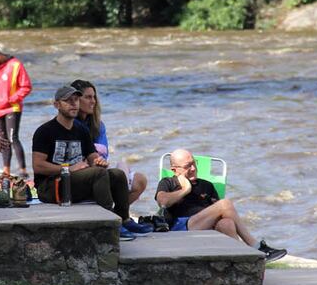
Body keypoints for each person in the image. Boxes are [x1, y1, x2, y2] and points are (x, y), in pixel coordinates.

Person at [32, 85, 141, 232]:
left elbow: (92, 156)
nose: (73, 104)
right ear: (57, 105)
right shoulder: (45, 131)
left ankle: (124, 219)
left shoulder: (81, 130)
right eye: (68, 101)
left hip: (74, 181)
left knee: (117, 174)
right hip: (51, 186)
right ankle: (108, 224)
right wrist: (68, 168)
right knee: (98, 174)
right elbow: (38, 166)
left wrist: (98, 161)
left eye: (76, 100)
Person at [155, 148, 287, 261]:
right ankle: (256, 247)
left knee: (227, 223)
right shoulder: (168, 182)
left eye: (194, 163)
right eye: (187, 166)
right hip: (180, 229)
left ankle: (242, 259)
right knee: (225, 204)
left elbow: (220, 213)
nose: (193, 168)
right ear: (174, 169)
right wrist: (185, 189)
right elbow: (163, 202)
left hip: (205, 227)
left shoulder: (207, 185)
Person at [70, 79, 148, 206]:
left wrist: (99, 161)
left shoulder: (98, 126)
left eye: (94, 97)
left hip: (97, 169)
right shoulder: (69, 125)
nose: (93, 101)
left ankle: (120, 215)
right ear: (76, 99)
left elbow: (103, 156)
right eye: (88, 97)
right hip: (78, 174)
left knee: (139, 180)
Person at [0, 44, 32, 178]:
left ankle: (23, 169)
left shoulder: (15, 65)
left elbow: (26, 86)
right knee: (3, 140)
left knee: (13, 138)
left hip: (12, 107)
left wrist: (12, 99)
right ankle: (6, 170)